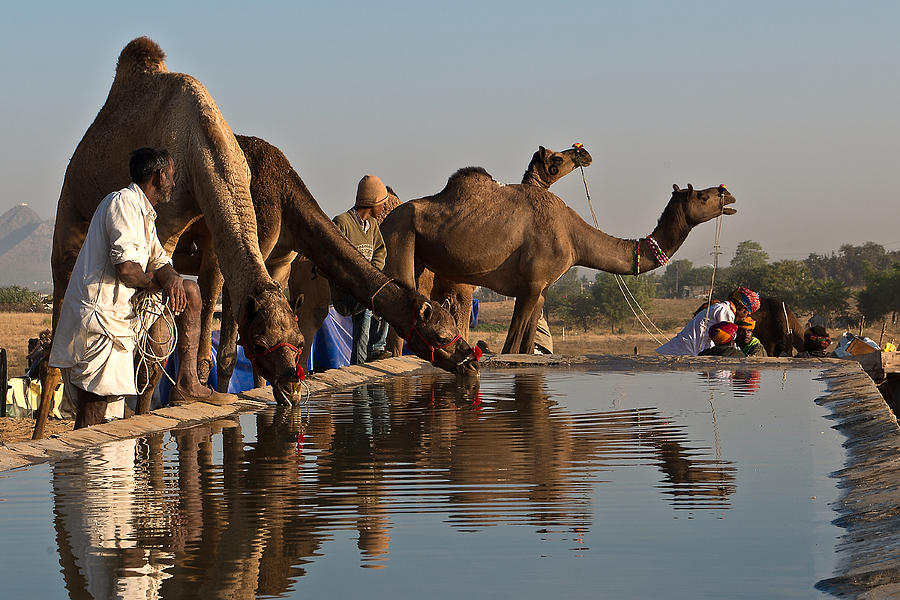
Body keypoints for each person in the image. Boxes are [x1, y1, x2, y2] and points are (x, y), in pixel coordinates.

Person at [49, 148, 233, 429]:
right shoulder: (122, 204)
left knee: (190, 291)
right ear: (160, 177)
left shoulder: (144, 214)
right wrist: (161, 286)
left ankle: (188, 381)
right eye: (172, 177)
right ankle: (83, 471)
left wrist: (171, 279)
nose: (173, 183)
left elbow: (160, 260)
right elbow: (127, 269)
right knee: (94, 412)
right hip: (99, 322)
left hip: (117, 322)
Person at [332, 175, 392, 364]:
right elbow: (335, 258)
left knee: (386, 299)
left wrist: (372, 274)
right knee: (369, 305)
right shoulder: (342, 223)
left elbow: (380, 251)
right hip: (347, 292)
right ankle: (363, 360)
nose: (383, 208)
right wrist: (360, 280)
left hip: (365, 290)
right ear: (372, 202)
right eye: (381, 203)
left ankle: (372, 351)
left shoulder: (372, 225)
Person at [656, 287, 760, 356]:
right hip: (681, 352)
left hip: (686, 351)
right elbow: (727, 340)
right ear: (740, 307)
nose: (744, 317)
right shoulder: (724, 311)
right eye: (746, 313)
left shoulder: (723, 309)